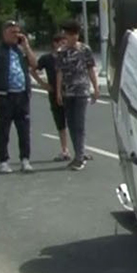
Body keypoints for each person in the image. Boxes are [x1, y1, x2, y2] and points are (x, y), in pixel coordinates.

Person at [0, 19, 40, 173]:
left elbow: (35, 65)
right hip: (4, 95)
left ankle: (25, 159)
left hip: (22, 95)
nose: (16, 35)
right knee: (3, 129)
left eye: (17, 32)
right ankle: (3, 160)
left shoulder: (21, 49)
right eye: (12, 32)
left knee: (24, 129)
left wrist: (26, 46)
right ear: (4, 33)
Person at [55, 18, 99, 171]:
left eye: (74, 34)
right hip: (68, 92)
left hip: (81, 91)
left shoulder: (85, 50)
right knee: (72, 124)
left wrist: (96, 87)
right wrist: (58, 91)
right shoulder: (61, 52)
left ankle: (80, 157)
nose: (71, 37)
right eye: (68, 34)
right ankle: (77, 154)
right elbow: (59, 72)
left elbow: (91, 69)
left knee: (79, 124)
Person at [36, 31, 71, 161]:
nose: (64, 45)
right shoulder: (47, 58)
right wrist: (43, 84)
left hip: (70, 92)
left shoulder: (69, 56)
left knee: (74, 122)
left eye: (65, 42)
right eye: (61, 43)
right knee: (60, 122)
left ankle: (79, 149)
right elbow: (34, 69)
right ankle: (64, 149)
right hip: (55, 93)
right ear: (55, 44)